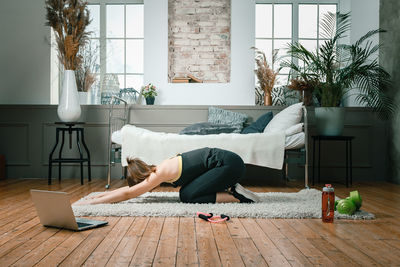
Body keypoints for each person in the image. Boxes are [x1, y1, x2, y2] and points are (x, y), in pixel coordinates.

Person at [79, 147, 260, 205]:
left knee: (188, 196)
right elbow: (131, 189)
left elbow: (129, 194)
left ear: (142, 178)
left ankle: (235, 196)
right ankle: (233, 189)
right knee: (186, 193)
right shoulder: (158, 169)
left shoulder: (159, 173)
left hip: (230, 166)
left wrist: (91, 203)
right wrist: (100, 195)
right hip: (229, 164)